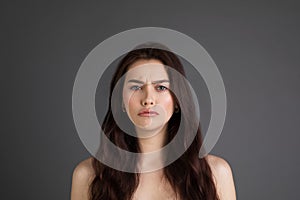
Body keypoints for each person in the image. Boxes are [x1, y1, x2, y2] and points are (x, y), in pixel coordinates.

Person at [71, 43, 236, 200]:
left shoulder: (216, 173)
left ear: (177, 99)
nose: (148, 99)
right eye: (136, 87)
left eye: (161, 88)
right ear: (120, 100)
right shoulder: (88, 175)